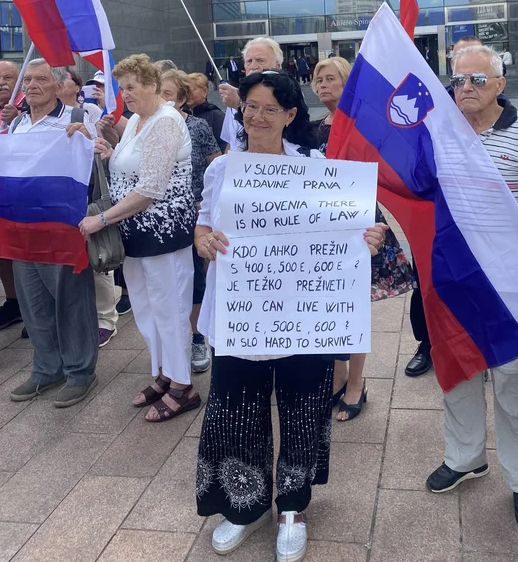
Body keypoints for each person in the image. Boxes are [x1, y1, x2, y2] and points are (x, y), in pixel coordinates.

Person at [194, 70, 386, 561]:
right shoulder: (222, 169)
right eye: (250, 108)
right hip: (241, 317)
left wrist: (368, 237)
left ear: (291, 116)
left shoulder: (316, 166)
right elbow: (202, 229)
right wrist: (205, 241)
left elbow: (351, 228)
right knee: (236, 412)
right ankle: (244, 505)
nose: (256, 117)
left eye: (269, 109)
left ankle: (292, 509)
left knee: (303, 412)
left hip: (306, 318)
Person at [426, 45, 518, 532]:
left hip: (512, 283)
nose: (465, 88)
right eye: (458, 81)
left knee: (513, 382)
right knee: (458, 373)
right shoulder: (439, 129)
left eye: (477, 81)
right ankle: (465, 457)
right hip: (456, 280)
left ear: (500, 86)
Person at [79, 54, 200, 422]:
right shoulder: (135, 121)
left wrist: (101, 219)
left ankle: (183, 386)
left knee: (170, 309)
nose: (124, 94)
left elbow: (150, 188)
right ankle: (163, 373)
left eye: (130, 87)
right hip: (134, 233)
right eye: (121, 87)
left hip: (162, 233)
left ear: (151, 84)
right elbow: (134, 165)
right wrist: (110, 151)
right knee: (147, 310)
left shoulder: (164, 121)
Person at [312, 56, 412, 421]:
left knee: (353, 308)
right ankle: (338, 378)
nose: (323, 85)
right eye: (317, 79)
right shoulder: (310, 128)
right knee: (330, 308)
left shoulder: (363, 124)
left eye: (330, 78)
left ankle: (356, 383)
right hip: (320, 229)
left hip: (358, 226)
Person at [8, 59, 99, 408]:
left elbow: (98, 161)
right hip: (22, 226)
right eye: (27, 79)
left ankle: (80, 372)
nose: (31, 85)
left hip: (63, 225)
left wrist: (89, 140)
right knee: (33, 301)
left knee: (71, 300)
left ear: (59, 84)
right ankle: (47, 368)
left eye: (40, 79)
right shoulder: (16, 123)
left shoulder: (76, 118)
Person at [406, 32, 486, 378]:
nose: (466, 78)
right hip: (437, 219)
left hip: (482, 223)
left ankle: (479, 344)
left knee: (478, 285)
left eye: (472, 57)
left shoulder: (496, 107)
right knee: (426, 283)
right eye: (458, 59)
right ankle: (427, 344)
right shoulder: (436, 99)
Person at [160, 68, 220, 374]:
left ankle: (198, 338)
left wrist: (209, 206)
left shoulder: (197, 127)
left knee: (195, 278)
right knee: (166, 281)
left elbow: (215, 165)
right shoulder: (145, 128)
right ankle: (170, 343)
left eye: (168, 93)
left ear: (183, 98)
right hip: (159, 219)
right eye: (157, 92)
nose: (161, 99)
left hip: (193, 216)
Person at [0, 59, 26, 333]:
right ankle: (14, 302)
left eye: (8, 77)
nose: (2, 83)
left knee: (27, 250)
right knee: (2, 251)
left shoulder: (31, 105)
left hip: (24, 192)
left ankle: (35, 308)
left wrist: (16, 119)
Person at [219, 37, 284, 150]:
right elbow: (230, 141)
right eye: (249, 61)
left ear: (277, 66)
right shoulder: (235, 95)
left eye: (260, 60)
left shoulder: (289, 94)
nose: (253, 66)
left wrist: (240, 104)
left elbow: (290, 135)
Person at [186, 72, 226, 153]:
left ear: (204, 91)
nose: (188, 93)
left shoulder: (215, 115)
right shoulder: (182, 114)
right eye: (186, 90)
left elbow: (224, 145)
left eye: (193, 89)